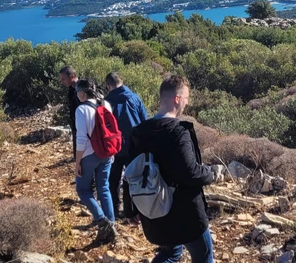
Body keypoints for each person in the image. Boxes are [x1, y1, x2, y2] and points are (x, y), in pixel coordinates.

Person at [129, 74, 215, 263]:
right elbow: (190, 172)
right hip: (186, 215)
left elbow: (131, 172)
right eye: (186, 97)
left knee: (170, 253)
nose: (187, 102)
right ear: (177, 99)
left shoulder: (138, 132)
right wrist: (210, 174)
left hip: (154, 213)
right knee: (204, 256)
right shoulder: (178, 131)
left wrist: (130, 208)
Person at [74, 78, 117, 245]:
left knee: (83, 189)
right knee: (104, 188)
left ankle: (101, 220)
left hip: (89, 155)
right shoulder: (106, 104)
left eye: (77, 92)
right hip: (106, 153)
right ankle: (111, 224)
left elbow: (81, 139)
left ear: (82, 93)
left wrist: (77, 162)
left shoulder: (81, 109)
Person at [104, 72, 148, 223]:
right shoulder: (135, 98)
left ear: (108, 85)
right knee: (133, 179)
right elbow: (144, 122)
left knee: (113, 179)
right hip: (134, 146)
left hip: (114, 148)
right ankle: (134, 211)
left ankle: (114, 210)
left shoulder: (107, 103)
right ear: (121, 81)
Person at [59, 65, 79, 160]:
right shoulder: (71, 89)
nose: (62, 82)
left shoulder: (82, 89)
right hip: (75, 125)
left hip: (83, 128)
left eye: (63, 79)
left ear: (72, 77)